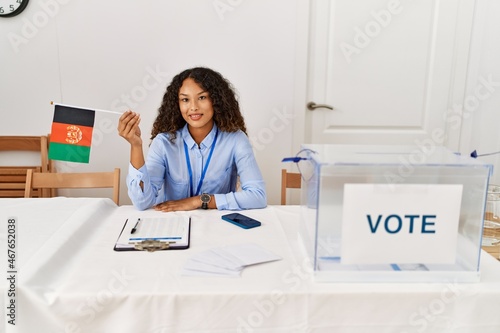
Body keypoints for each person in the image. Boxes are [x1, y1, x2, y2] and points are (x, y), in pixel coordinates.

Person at [118, 67, 267, 212]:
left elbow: (257, 196)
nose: (193, 107)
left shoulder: (236, 140)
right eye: (185, 100)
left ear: (216, 101)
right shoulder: (163, 143)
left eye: (202, 98)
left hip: (218, 226)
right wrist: (135, 146)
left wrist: (198, 201)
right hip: (173, 224)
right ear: (177, 104)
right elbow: (142, 202)